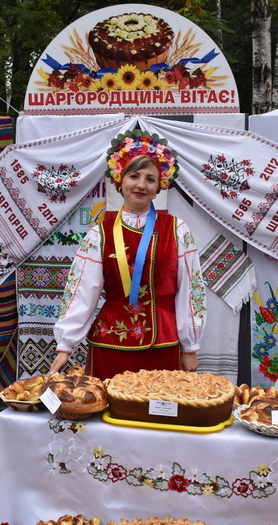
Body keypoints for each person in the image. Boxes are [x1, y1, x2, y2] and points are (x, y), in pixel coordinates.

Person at [49, 130, 206, 380]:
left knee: (157, 413)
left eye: (150, 179)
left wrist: (190, 346)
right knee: (104, 413)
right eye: (134, 176)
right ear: (120, 181)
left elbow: (191, 289)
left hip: (163, 343)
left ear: (159, 187)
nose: (141, 185)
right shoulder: (99, 234)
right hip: (110, 343)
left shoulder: (177, 230)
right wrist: (65, 345)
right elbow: (82, 291)